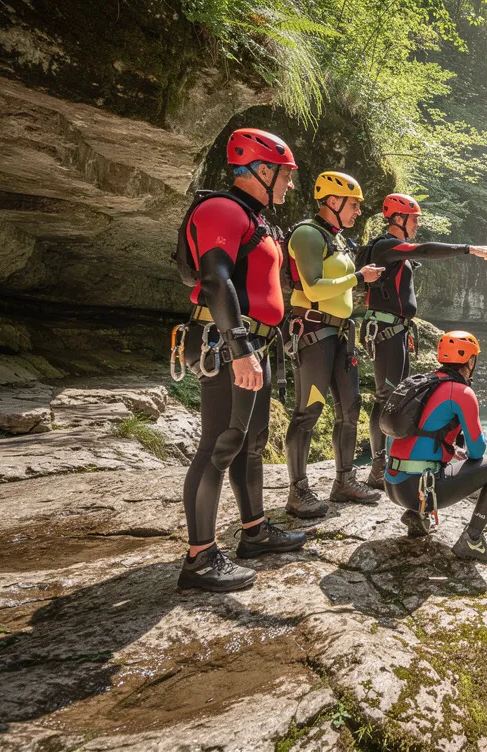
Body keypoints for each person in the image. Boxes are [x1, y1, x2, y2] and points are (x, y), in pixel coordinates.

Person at [177, 128, 306, 592]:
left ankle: (254, 531)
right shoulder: (222, 210)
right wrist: (239, 349)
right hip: (229, 344)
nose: (290, 183)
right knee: (220, 444)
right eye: (285, 174)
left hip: (254, 343)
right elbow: (216, 281)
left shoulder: (256, 219)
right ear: (261, 170)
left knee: (252, 441)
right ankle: (200, 559)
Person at [362, 194, 487, 490]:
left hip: (396, 330)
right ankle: (378, 467)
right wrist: (468, 249)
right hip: (386, 330)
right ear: (397, 218)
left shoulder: (396, 250)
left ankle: (391, 460)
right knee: (387, 397)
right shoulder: (386, 246)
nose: (417, 224)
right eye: (414, 219)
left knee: (396, 395)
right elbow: (424, 250)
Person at [282, 171, 385, 518]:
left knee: (350, 409)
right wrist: (358, 277)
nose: (359, 211)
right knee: (308, 411)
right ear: (333, 201)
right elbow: (313, 287)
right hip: (314, 331)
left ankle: (344, 481)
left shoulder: (336, 238)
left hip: (340, 333)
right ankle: (298, 492)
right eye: (354, 205)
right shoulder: (308, 234)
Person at [383, 331, 487, 563]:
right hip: (419, 490)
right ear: (471, 361)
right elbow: (477, 451)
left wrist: (450, 449)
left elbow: (412, 434)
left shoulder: (423, 383)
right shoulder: (461, 391)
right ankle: (472, 539)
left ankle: (416, 516)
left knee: (427, 461)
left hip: (393, 484)